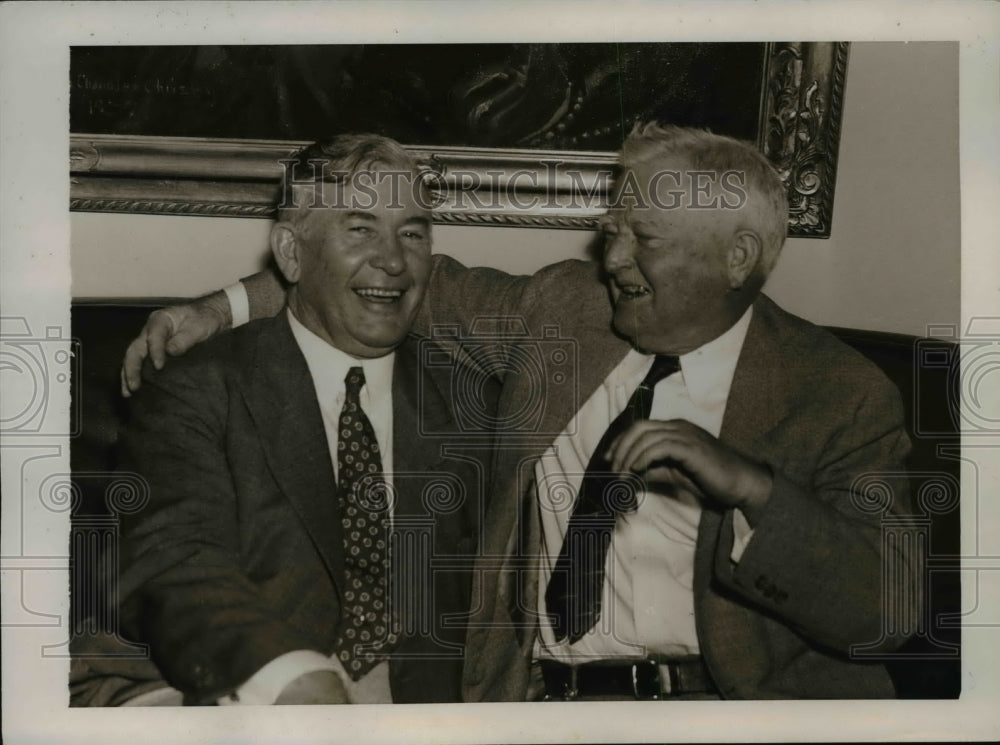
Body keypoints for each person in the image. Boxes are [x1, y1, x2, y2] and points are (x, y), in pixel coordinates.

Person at [122, 124, 918, 700]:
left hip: (728, 708)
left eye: (640, 238)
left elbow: (888, 609)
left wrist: (754, 489)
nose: (611, 260)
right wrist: (223, 307)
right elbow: (392, 279)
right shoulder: (568, 312)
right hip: (547, 702)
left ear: (736, 259)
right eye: (610, 232)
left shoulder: (836, 392)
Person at [75, 134, 497, 706]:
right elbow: (175, 558)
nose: (394, 260)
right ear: (292, 254)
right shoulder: (196, 390)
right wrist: (286, 674)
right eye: (360, 229)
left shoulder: (473, 403)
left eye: (413, 233)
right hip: (257, 693)